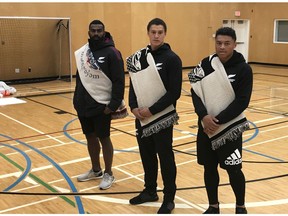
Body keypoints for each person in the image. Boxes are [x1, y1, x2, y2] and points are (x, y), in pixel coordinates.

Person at [188, 27, 253, 214]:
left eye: (226, 43)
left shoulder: (243, 69)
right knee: (209, 169)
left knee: (234, 170)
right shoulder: (206, 64)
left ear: (234, 44)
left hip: (229, 129)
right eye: (219, 43)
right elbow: (195, 90)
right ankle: (213, 206)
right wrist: (203, 116)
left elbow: (242, 101)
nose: (222, 47)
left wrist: (216, 120)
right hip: (206, 128)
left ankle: (240, 206)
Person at [127, 18, 182, 214]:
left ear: (165, 34)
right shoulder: (139, 58)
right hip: (141, 118)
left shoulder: (172, 59)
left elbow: (174, 92)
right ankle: (150, 191)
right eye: (153, 32)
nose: (156, 35)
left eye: (160, 32)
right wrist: (133, 107)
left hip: (162, 119)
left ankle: (169, 198)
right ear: (148, 33)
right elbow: (133, 85)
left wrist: (152, 110)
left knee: (165, 158)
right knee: (147, 156)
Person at [73, 20, 125, 190]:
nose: (96, 33)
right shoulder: (84, 53)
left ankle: (109, 173)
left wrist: (113, 104)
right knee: (90, 136)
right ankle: (96, 170)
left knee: (104, 138)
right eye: (93, 30)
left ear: (104, 32)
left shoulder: (112, 53)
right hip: (83, 104)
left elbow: (119, 80)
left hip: (102, 105)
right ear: (88, 32)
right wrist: (76, 99)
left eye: (99, 30)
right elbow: (80, 77)